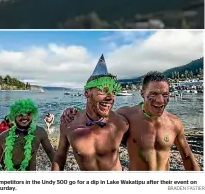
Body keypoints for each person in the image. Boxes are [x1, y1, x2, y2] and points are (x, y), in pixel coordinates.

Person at [61, 71, 200, 171]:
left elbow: (187, 157)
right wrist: (74, 111)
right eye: (153, 94)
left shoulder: (174, 123)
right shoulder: (127, 116)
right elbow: (100, 117)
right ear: (142, 94)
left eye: (165, 95)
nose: (160, 100)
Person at [52, 55, 129, 171]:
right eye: (104, 90)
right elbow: (60, 156)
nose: (110, 97)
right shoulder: (69, 122)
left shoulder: (120, 123)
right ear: (87, 92)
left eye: (113, 92)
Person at [0, 99, 55, 171]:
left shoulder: (39, 132)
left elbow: (50, 152)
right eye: (20, 114)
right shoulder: (3, 137)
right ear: (14, 116)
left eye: (28, 114)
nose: (25, 117)